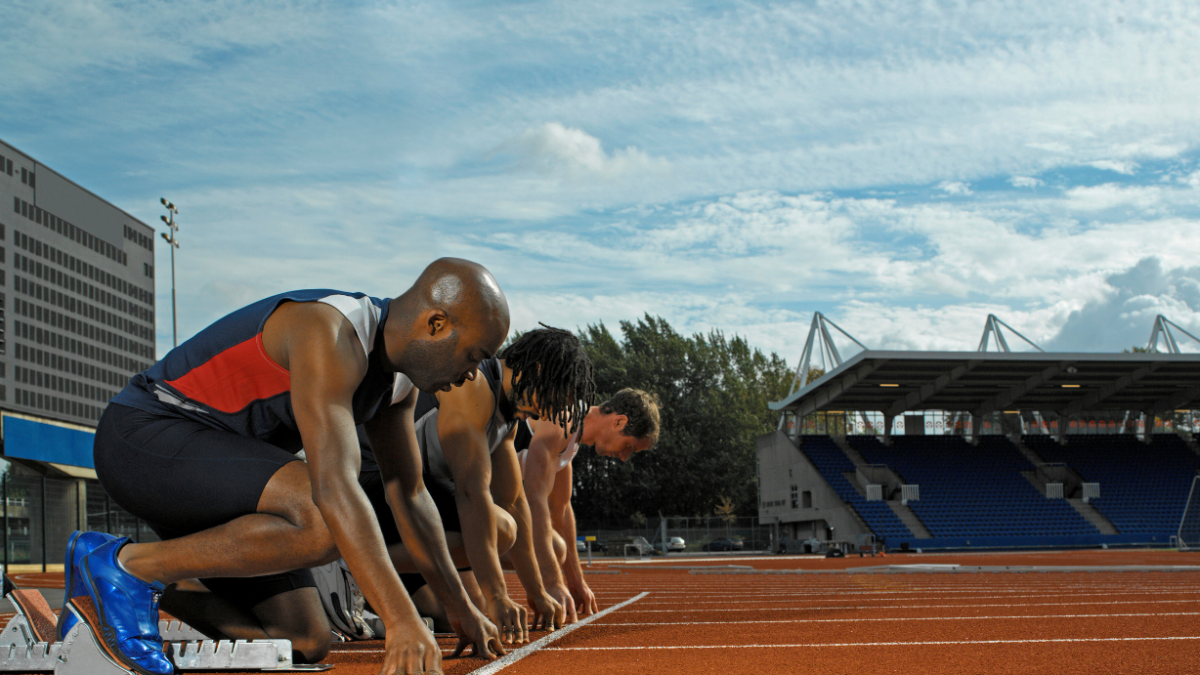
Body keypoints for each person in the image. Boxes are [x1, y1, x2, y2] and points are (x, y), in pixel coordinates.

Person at [68, 258, 508, 675]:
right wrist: (401, 619)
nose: (472, 375)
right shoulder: (331, 330)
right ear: (436, 324)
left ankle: (135, 583)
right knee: (321, 518)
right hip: (144, 436)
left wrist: (460, 607)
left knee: (297, 641)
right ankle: (126, 565)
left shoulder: (397, 383)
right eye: (473, 356)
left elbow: (409, 495)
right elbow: (335, 486)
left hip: (219, 477)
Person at [331, 326, 593, 640]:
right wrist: (497, 596)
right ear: (538, 371)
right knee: (500, 529)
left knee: (442, 617)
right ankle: (345, 563)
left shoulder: (507, 415)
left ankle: (359, 573)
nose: (546, 412)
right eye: (553, 398)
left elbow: (513, 500)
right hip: (365, 477)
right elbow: (471, 495)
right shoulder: (474, 387)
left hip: (407, 492)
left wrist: (536, 591)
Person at [518, 388, 659, 622]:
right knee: (552, 545)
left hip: (477, 509)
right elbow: (536, 502)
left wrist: (576, 582)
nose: (625, 457)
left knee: (557, 546)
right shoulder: (563, 421)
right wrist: (551, 584)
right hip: (459, 501)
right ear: (619, 422)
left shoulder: (571, 443)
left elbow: (560, 511)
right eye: (629, 447)